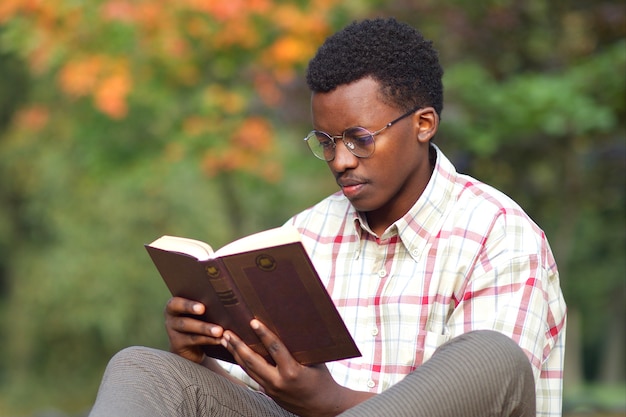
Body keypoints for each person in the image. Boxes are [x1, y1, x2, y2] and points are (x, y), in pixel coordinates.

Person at [88, 17, 566, 417]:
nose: (340, 160)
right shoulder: (303, 237)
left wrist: (327, 401)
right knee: (141, 368)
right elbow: (247, 393)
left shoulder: (500, 235)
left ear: (423, 124)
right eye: (326, 142)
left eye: (359, 138)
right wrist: (199, 356)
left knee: (491, 358)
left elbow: (494, 399)